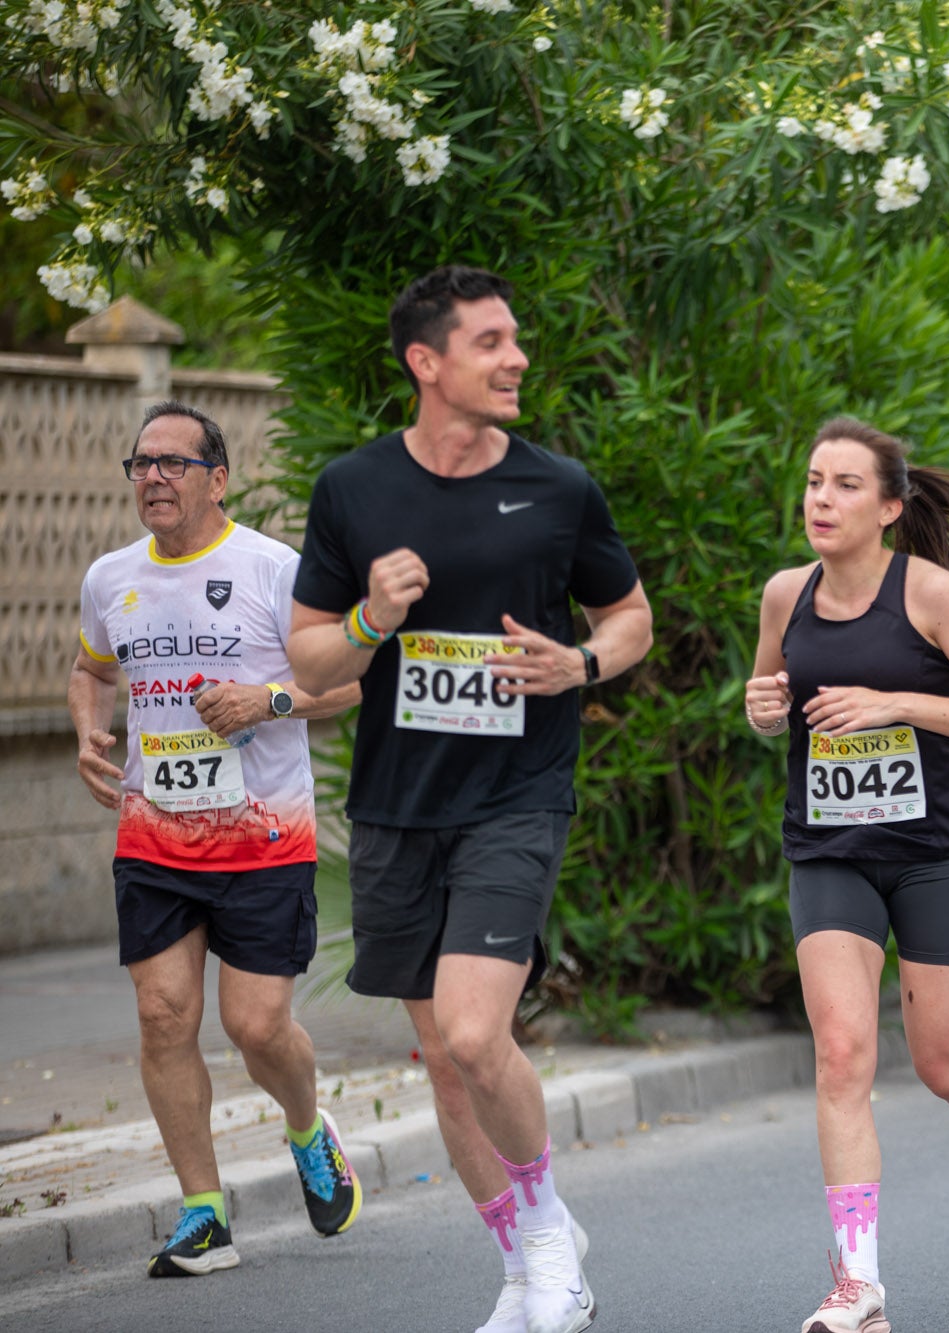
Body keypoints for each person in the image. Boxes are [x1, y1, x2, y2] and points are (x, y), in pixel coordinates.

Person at [287, 267, 655, 1333]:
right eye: (490, 341)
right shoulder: (354, 488)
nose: (516, 358)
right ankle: (524, 1265)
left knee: (474, 1031)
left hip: (517, 796)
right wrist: (370, 618)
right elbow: (308, 660)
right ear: (426, 361)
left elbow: (629, 615)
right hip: (398, 805)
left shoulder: (557, 487)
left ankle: (547, 1241)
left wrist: (581, 663)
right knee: (448, 1064)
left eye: (514, 339)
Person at [743, 418, 949, 1333]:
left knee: (942, 1063)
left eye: (844, 485)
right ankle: (858, 1285)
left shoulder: (931, 593)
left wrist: (897, 703)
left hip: (935, 852)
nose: (821, 499)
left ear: (887, 507)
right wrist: (763, 709)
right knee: (841, 1054)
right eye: (813, 481)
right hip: (830, 849)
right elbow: (771, 703)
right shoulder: (785, 594)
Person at [69, 401, 363, 1277]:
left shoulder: (275, 569)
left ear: (218, 479)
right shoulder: (110, 577)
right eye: (141, 464)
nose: (153, 477)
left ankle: (307, 1129)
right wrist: (86, 731)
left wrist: (266, 700)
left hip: (266, 834)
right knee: (163, 1016)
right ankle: (204, 1212)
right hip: (154, 835)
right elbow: (89, 667)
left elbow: (352, 679)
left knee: (256, 1024)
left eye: (174, 463)